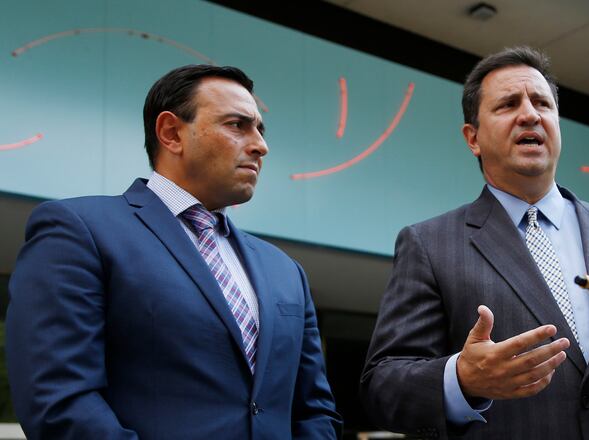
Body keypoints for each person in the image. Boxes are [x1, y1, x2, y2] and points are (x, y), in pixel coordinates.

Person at [360, 46, 589, 439]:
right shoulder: (428, 244)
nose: (530, 114)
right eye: (509, 104)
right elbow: (382, 387)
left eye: (542, 104)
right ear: (473, 138)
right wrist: (462, 378)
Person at [6, 64, 342, 439]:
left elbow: (315, 410)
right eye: (237, 125)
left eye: (260, 130)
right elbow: (59, 397)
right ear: (171, 133)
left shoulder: (286, 271)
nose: (260, 145)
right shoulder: (80, 230)